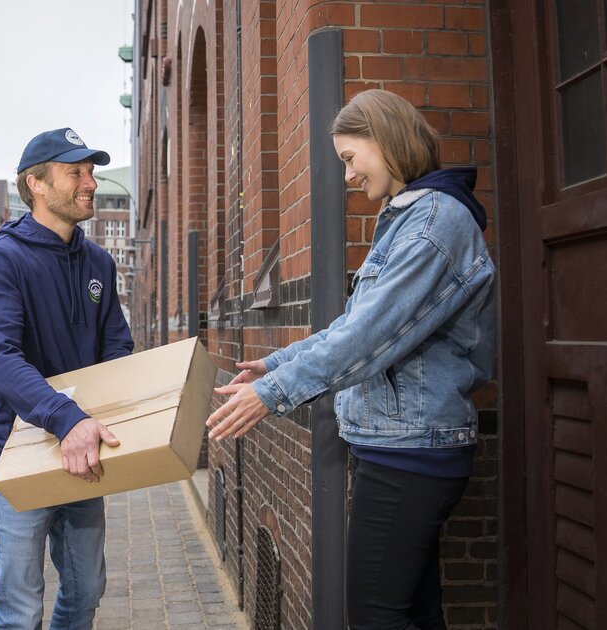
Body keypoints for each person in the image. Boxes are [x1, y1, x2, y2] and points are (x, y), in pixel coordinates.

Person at [206, 89, 496, 630]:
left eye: (348, 158)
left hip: (409, 453)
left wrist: (272, 395)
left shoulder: (434, 225)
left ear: (385, 140)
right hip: (397, 446)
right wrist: (277, 363)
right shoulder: (411, 219)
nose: (347, 176)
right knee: (412, 610)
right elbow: (353, 328)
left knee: (374, 617)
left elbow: (368, 338)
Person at [0, 127, 134, 629]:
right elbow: (2, 359)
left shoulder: (99, 263)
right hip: (16, 453)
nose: (89, 182)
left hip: (82, 453)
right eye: (75, 173)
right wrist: (67, 419)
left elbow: (117, 345)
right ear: (36, 184)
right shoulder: (2, 260)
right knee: (20, 611)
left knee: (87, 590)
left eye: (90, 171)